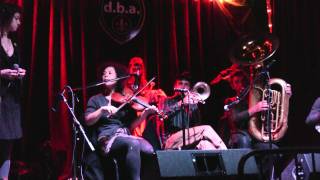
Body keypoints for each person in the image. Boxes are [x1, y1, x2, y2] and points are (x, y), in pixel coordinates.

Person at [84, 62, 158, 180]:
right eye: (104, 74)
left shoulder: (125, 99)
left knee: (149, 150)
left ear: (118, 77)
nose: (106, 76)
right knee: (133, 144)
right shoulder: (96, 99)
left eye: (109, 73)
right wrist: (102, 110)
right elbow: (88, 120)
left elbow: (132, 126)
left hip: (124, 135)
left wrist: (146, 113)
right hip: (106, 138)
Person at [159, 71, 227, 150]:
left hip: (188, 139)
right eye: (180, 83)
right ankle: (227, 153)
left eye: (186, 84)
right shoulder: (166, 100)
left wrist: (192, 107)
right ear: (175, 86)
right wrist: (181, 103)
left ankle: (226, 160)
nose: (183, 87)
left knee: (206, 145)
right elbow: (162, 116)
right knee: (207, 129)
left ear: (189, 88)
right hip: (171, 139)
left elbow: (197, 125)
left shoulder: (192, 104)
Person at [0, 3, 26, 180]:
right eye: (16, 18)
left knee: (7, 143)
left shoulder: (14, 43)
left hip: (11, 100)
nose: (19, 23)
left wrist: (19, 73)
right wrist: (1, 73)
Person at [125, 56, 167, 137]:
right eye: (134, 68)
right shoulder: (126, 81)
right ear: (130, 67)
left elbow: (145, 97)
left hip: (141, 108)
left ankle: (163, 113)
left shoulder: (144, 82)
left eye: (139, 67)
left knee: (160, 93)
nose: (137, 70)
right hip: (129, 108)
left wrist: (150, 89)